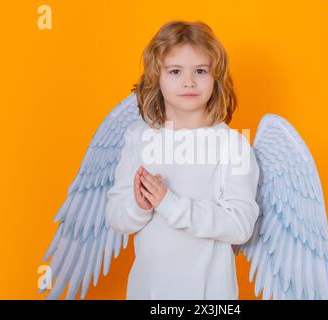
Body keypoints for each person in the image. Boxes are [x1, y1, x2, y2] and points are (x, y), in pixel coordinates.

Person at [105, 20, 260, 300]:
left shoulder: (232, 145)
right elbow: (117, 215)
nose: (188, 81)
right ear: (157, 77)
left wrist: (169, 204)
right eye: (175, 71)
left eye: (200, 71)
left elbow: (240, 225)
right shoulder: (139, 138)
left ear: (216, 78)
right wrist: (138, 207)